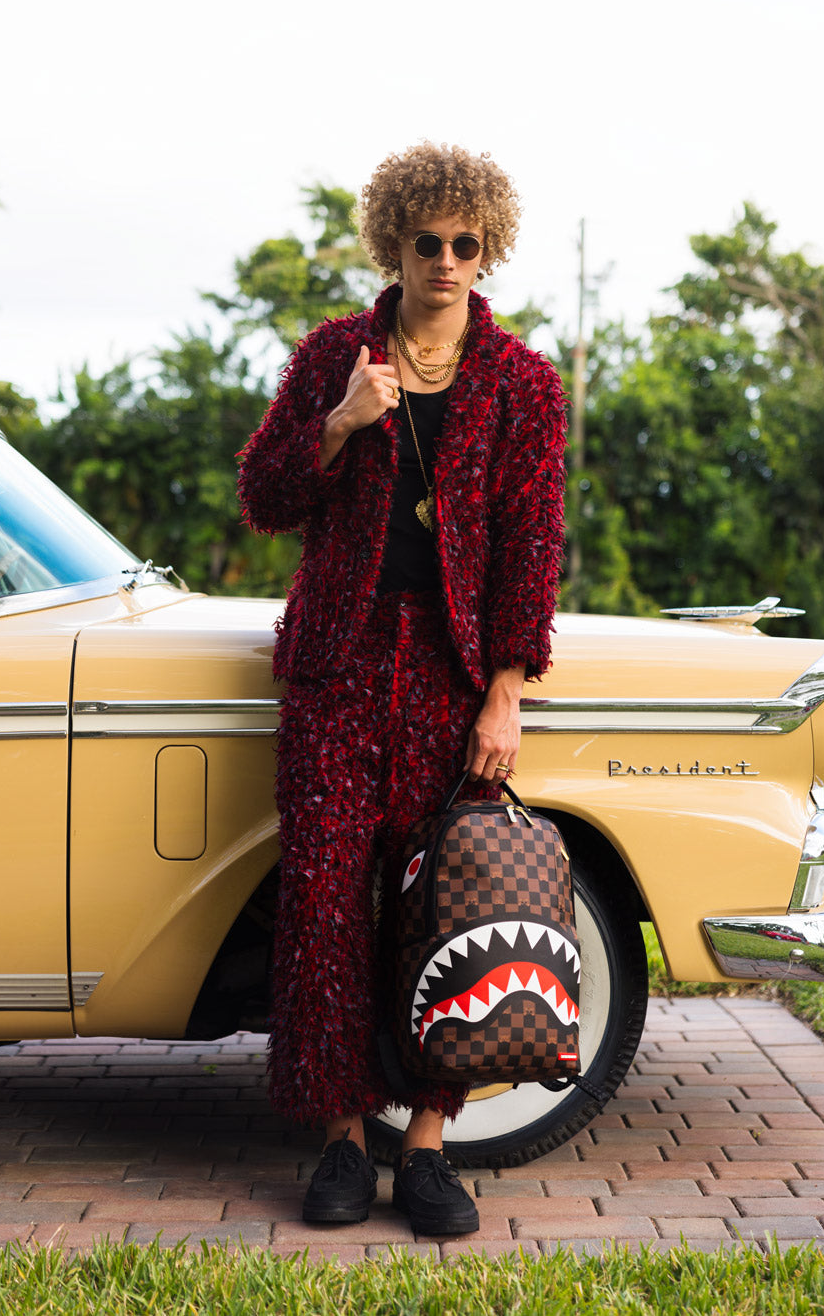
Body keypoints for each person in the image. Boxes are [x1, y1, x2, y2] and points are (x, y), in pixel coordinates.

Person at [236, 142, 567, 1236]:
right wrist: (340, 421)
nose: (446, 259)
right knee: (324, 905)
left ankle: (426, 1146)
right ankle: (341, 1139)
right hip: (335, 665)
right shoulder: (335, 354)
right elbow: (264, 497)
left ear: (488, 249)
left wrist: (505, 692)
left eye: (466, 243)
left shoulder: (524, 385)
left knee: (446, 906)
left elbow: (531, 546)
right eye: (428, 241)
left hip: (449, 676)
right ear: (397, 242)